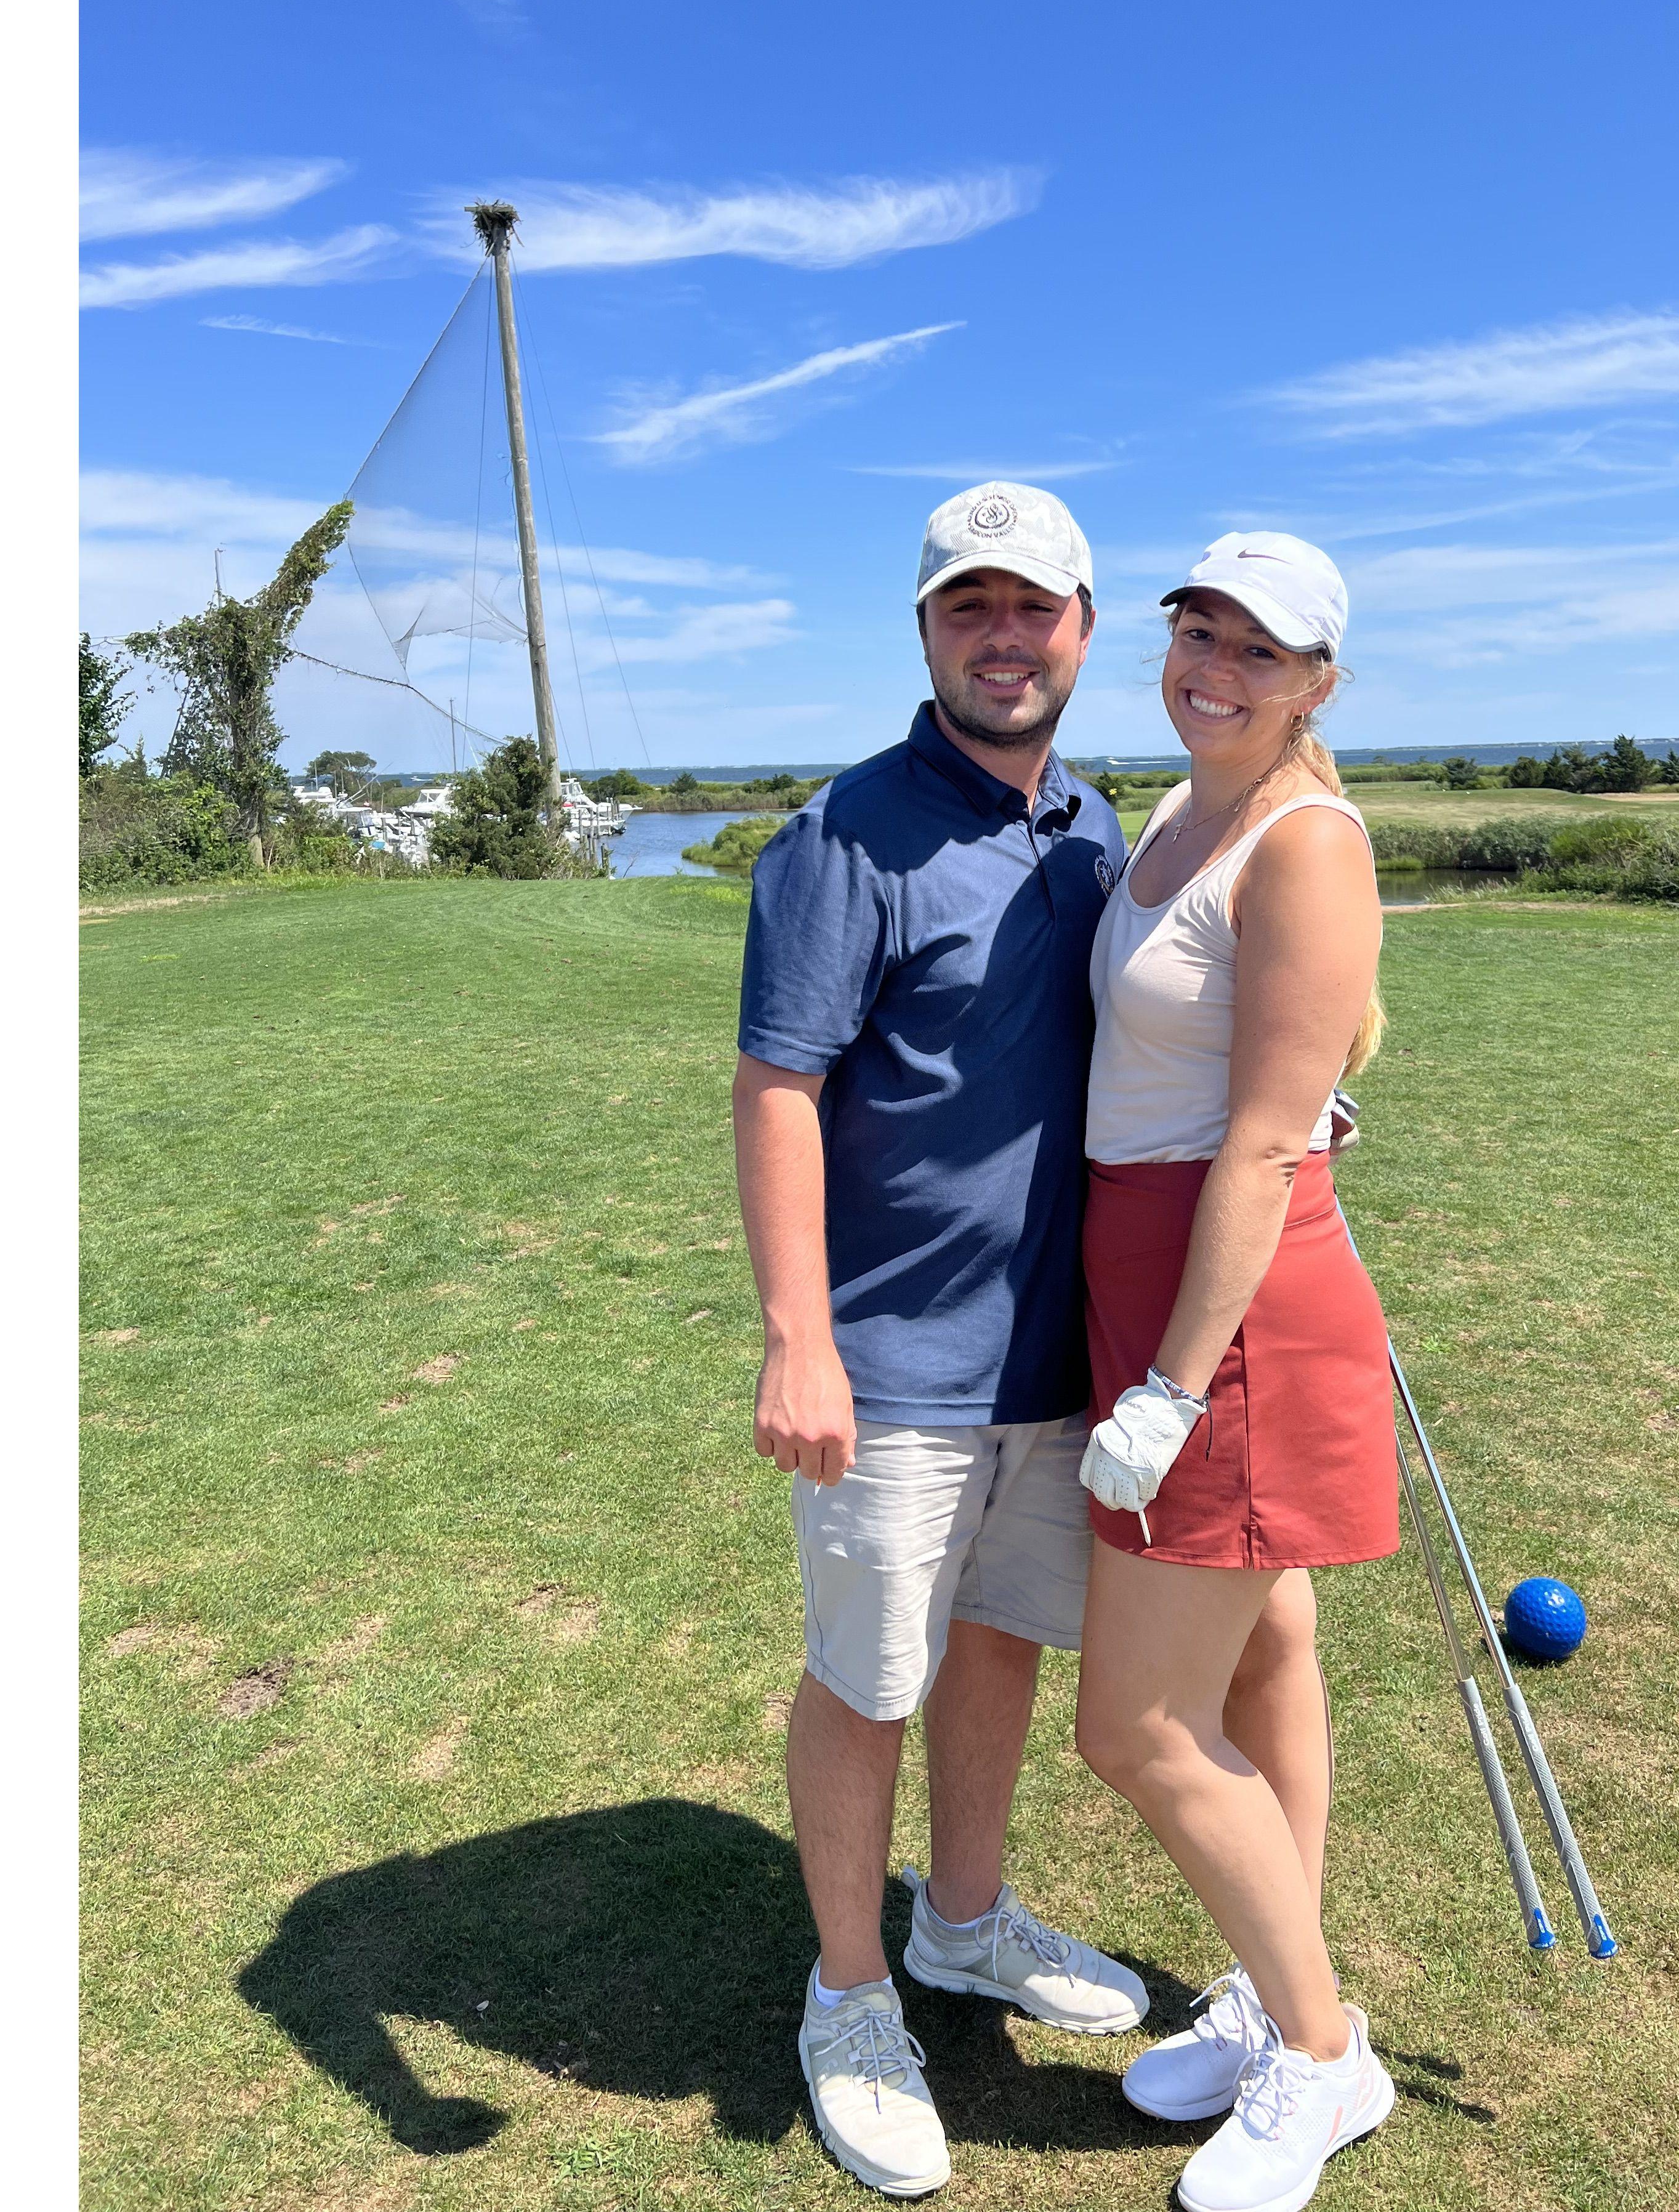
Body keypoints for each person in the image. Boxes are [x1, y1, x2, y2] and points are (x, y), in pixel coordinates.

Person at [733, 483, 1146, 2198]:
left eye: (1033, 607)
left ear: (1083, 629)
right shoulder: (847, 835)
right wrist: (799, 1338)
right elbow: (779, 1088)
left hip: (1060, 1355)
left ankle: (962, 1924)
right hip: (895, 1355)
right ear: (922, 631)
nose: (1003, 637)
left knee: (997, 1644)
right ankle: (848, 1995)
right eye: (968, 606)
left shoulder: (1097, 827)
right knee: (868, 1678)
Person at [1070, 532, 1401, 2212]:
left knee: (1135, 1725)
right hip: (1156, 1277)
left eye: (1259, 648)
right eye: (1198, 629)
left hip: (1229, 1315)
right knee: (1268, 1655)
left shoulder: (1306, 841)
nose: (1215, 665)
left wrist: (1175, 1389)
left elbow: (1267, 1143)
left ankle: (1324, 2058)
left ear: (1317, 682)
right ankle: (1279, 2002)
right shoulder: (1176, 816)